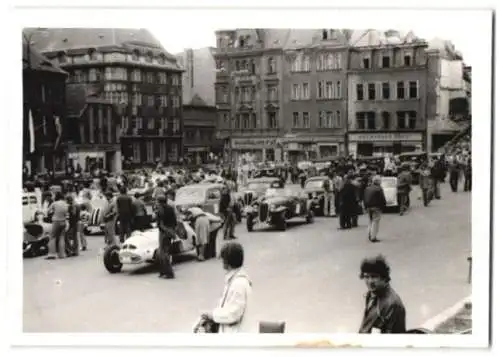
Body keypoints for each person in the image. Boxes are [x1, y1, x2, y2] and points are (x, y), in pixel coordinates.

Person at [200, 242, 252, 333]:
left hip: (235, 336)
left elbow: (233, 313)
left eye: (223, 259)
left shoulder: (239, 283)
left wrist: (212, 315)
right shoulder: (233, 279)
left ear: (228, 261)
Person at [358, 255, 406, 334]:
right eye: (366, 277)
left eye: (374, 276)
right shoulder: (372, 293)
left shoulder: (392, 304)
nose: (370, 281)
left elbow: (389, 337)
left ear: (384, 277)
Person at [156, 195, 176, 279]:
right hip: (170, 231)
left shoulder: (160, 209)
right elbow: (175, 221)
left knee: (163, 253)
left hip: (164, 232)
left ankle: (167, 272)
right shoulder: (171, 208)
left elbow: (159, 222)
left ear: (159, 202)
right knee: (166, 251)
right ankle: (164, 271)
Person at [46, 191, 69, 260]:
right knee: (62, 237)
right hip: (63, 221)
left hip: (56, 221)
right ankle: (62, 254)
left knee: (52, 237)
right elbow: (67, 213)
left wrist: (53, 212)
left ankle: (52, 254)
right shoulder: (65, 204)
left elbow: (48, 211)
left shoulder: (54, 203)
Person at [363, 175, 386, 243]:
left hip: (368, 207)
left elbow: (364, 198)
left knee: (370, 221)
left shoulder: (367, 188)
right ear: (378, 182)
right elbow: (382, 199)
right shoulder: (379, 189)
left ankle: (369, 234)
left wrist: (365, 206)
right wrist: (383, 206)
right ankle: (373, 237)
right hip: (376, 207)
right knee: (375, 222)